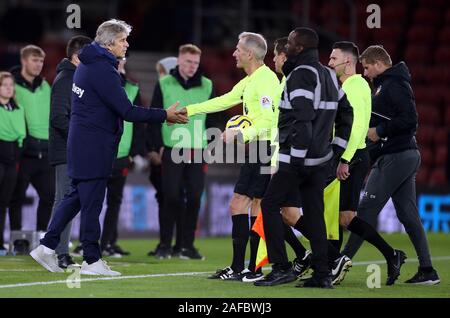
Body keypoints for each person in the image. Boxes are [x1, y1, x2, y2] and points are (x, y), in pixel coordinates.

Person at [30, 19, 187, 276]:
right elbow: (126, 110)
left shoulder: (89, 64)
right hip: (94, 146)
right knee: (91, 204)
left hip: (84, 144)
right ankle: (92, 261)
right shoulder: (102, 70)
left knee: (76, 199)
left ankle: (46, 246)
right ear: (110, 42)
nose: (127, 44)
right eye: (123, 40)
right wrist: (164, 115)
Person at [254, 27, 353, 288]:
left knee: (269, 205)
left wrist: (295, 159)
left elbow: (304, 118)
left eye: (290, 43)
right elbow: (347, 115)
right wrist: (335, 151)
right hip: (320, 160)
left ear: (298, 48)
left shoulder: (300, 75)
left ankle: (282, 267)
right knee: (314, 215)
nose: (286, 48)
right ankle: (322, 274)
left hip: (296, 159)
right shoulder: (330, 76)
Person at [178, 32, 280, 281]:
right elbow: (225, 100)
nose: (233, 53)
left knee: (254, 205)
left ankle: (253, 268)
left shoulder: (266, 80)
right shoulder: (251, 79)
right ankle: (241, 268)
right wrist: (189, 110)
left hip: (266, 147)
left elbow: (269, 120)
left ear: (249, 54)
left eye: (237, 49)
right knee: (243, 205)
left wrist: (240, 134)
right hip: (257, 147)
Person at [342, 45, 440, 285]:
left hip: (396, 157)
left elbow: (410, 119)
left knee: (365, 211)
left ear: (378, 63)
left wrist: (380, 130)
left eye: (366, 67)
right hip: (402, 154)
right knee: (408, 215)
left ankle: (339, 263)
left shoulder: (394, 84)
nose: (364, 73)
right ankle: (428, 270)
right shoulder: (388, 84)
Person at [146, 45, 213, 260]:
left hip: (198, 149)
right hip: (172, 148)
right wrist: (156, 146)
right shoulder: (164, 83)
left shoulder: (208, 85)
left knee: (194, 197)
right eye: (188, 62)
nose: (192, 66)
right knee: (170, 197)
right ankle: (165, 244)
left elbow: (214, 117)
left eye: (195, 63)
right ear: (179, 62)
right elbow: (154, 115)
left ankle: (186, 246)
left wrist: (211, 144)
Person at [48, 35, 92, 269]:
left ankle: (58, 251)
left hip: (70, 149)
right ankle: (58, 252)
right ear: (77, 57)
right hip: (65, 150)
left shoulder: (74, 78)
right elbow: (58, 118)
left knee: (66, 201)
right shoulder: (66, 79)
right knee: (64, 200)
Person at [100, 55, 146, 257]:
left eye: (122, 62)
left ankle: (108, 243)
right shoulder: (101, 83)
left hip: (122, 154)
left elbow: (139, 124)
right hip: (100, 153)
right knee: (91, 200)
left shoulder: (132, 88)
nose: (120, 65)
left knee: (114, 202)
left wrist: (134, 153)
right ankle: (90, 243)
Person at [9, 45, 54, 234]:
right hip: (23, 152)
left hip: (46, 151)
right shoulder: (11, 85)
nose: (38, 65)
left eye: (41, 61)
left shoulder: (45, 86)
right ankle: (16, 237)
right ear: (24, 61)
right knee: (16, 196)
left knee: (49, 196)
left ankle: (41, 236)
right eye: (34, 60)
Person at [146, 56, 178, 258]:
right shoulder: (163, 91)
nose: (160, 77)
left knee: (171, 199)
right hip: (163, 155)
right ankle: (167, 243)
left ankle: (172, 243)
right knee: (166, 199)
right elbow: (153, 123)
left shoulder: (172, 94)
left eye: (163, 72)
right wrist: (153, 148)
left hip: (172, 154)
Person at [0, 72, 25, 252]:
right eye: (5, 85)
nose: (9, 88)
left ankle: (1, 241)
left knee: (4, 203)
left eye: (11, 85)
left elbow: (21, 135)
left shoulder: (18, 109)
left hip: (12, 161)